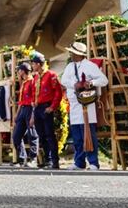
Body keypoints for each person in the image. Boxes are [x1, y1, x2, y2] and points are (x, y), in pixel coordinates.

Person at [62, 42, 108, 171]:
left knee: (89, 134)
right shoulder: (69, 66)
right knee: (77, 135)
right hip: (74, 104)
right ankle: (79, 162)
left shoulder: (90, 66)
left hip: (87, 104)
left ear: (78, 54)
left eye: (72, 52)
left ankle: (93, 162)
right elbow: (64, 80)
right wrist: (74, 84)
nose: (70, 54)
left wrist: (91, 82)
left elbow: (104, 80)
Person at [30, 52, 64, 169]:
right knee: (41, 135)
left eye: (33, 64)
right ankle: (47, 160)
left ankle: (55, 161)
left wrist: (52, 107)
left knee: (50, 135)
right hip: (38, 108)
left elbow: (58, 92)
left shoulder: (51, 75)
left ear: (39, 64)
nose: (32, 66)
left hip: (46, 107)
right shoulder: (35, 77)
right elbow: (34, 93)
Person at [11, 62, 39, 168]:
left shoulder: (32, 82)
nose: (18, 72)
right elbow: (21, 101)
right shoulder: (24, 83)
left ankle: (33, 159)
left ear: (23, 70)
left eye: (19, 70)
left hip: (30, 109)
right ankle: (22, 159)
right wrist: (17, 114)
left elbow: (34, 99)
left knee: (32, 135)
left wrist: (33, 114)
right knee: (16, 136)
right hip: (22, 110)